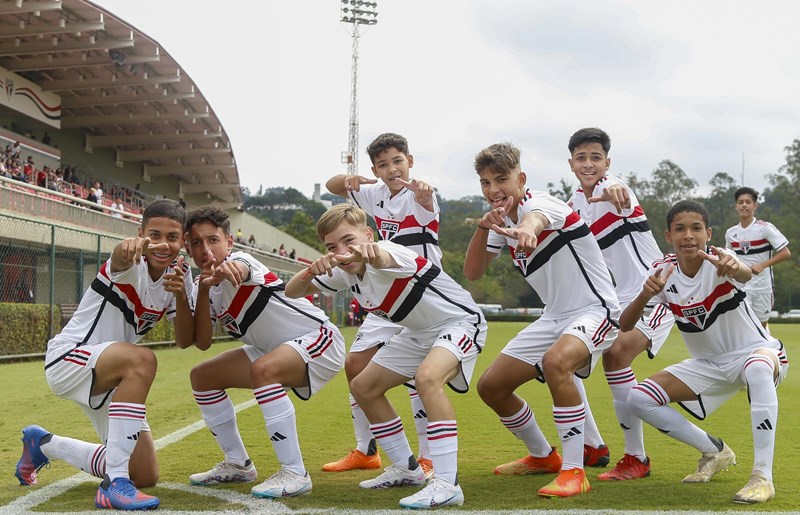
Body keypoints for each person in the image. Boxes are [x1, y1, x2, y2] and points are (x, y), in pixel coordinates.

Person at [285, 203, 487, 509]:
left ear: (368, 234)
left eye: (349, 241)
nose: (342, 251)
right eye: (332, 247)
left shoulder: (391, 252)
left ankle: (448, 483)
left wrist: (371, 252)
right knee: (363, 386)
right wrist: (313, 269)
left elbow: (384, 256)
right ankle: (407, 469)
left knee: (428, 379)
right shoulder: (345, 271)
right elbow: (292, 291)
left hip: (460, 322)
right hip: (419, 333)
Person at [15, 199, 194, 510]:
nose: (163, 244)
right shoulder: (130, 261)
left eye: (173, 237)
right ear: (141, 234)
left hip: (112, 373)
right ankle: (114, 482)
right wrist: (125, 248)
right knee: (143, 358)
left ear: (183, 241)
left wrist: (180, 294)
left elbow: (185, 340)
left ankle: (43, 444)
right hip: (69, 359)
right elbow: (120, 257)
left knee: (145, 473)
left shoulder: (180, 274)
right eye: (154, 235)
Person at [464, 142, 620, 498]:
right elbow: (473, 272)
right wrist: (482, 227)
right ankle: (541, 456)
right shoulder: (499, 219)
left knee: (556, 363)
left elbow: (535, 220)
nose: (493, 190)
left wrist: (527, 229)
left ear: (521, 179)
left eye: (501, 180)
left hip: (596, 310)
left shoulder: (542, 203)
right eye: (486, 183)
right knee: (491, 387)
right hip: (554, 318)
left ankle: (574, 470)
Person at [622, 200, 789, 504]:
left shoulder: (721, 260)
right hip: (708, 365)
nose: (688, 235)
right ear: (668, 236)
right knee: (638, 398)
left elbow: (743, 274)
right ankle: (715, 450)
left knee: (758, 368)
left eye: (696, 228)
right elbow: (625, 324)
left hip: (756, 352)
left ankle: (762, 476)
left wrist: (734, 267)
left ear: (708, 233)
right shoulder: (662, 271)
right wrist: (645, 294)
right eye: (680, 229)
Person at [182, 204, 345, 498]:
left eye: (213, 240)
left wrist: (228, 269)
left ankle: (295, 473)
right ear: (189, 249)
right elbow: (203, 342)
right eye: (196, 243)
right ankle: (238, 464)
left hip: (320, 340)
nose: (205, 249)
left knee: (264, 370)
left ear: (229, 242)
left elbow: (241, 270)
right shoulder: (200, 286)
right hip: (272, 349)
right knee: (202, 376)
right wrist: (205, 289)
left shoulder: (243, 259)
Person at [323, 132, 441, 477]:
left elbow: (427, 200)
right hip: (385, 294)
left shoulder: (421, 195)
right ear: (375, 168)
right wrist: (347, 180)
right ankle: (365, 450)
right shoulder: (372, 193)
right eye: (383, 164)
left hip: (420, 295)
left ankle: (428, 455)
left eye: (397, 161)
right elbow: (333, 186)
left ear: (410, 161)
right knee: (355, 364)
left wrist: (424, 193)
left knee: (419, 377)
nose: (391, 169)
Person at [566, 127, 675, 481]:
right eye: (581, 157)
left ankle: (636, 458)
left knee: (615, 357)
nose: (589, 163)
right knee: (561, 358)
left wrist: (616, 191)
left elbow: (620, 193)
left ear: (607, 162)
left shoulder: (614, 189)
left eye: (596, 157)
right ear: (571, 163)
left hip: (654, 294)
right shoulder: (573, 205)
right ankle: (593, 445)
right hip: (615, 303)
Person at [725, 187, 790, 329]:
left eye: (748, 202)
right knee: (744, 326)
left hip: (763, 287)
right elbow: (730, 256)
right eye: (740, 202)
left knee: (761, 327)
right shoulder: (731, 233)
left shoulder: (764, 228)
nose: (744, 205)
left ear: (755, 205)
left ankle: (768, 349)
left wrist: (763, 265)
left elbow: (785, 253)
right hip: (742, 286)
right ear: (736, 206)